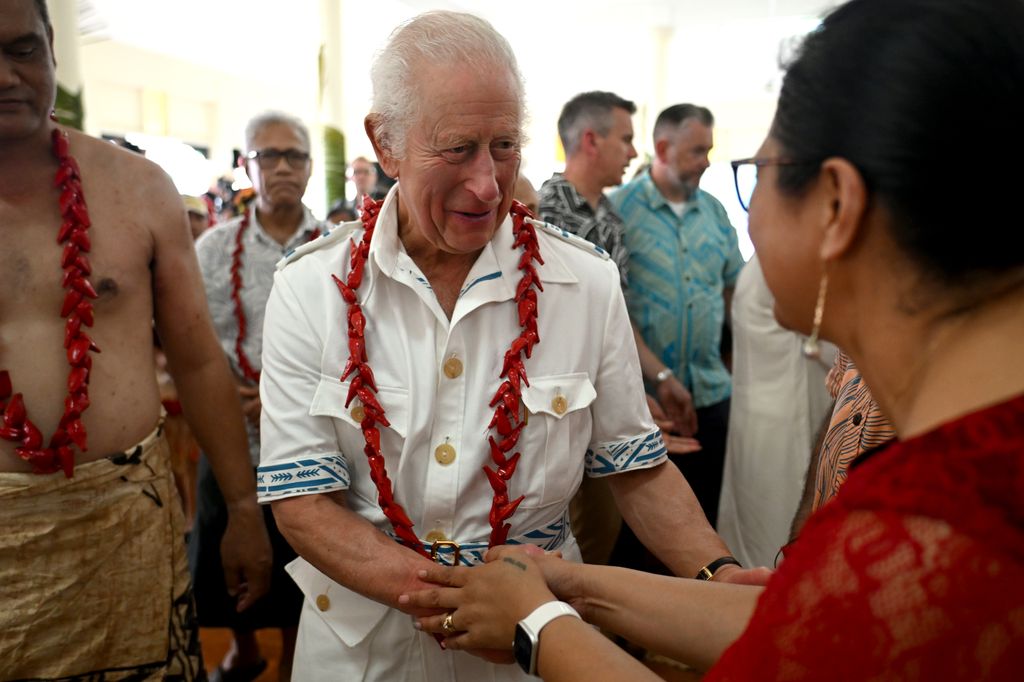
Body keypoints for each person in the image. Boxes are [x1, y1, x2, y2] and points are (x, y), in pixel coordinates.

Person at [404, 0, 1024, 678]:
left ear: (837, 206)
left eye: (759, 173)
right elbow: (791, 623)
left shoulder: (931, 525)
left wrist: (539, 625)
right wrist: (571, 586)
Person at [256, 11, 758, 682]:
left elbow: (634, 465)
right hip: (363, 653)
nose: (488, 183)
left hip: (534, 653)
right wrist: (468, 606)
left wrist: (716, 572)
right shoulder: (309, 288)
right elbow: (304, 505)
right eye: (458, 148)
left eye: (504, 146)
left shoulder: (582, 282)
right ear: (386, 142)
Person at [0, 1, 272, 679]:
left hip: (126, 526)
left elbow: (199, 359)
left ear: (53, 48)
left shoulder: (139, 188)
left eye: (23, 50)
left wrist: (241, 507)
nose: (5, 76)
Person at [190, 111, 325, 681]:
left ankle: (298, 665)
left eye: (294, 155)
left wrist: (287, 398)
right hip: (233, 429)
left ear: (311, 167)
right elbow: (195, 342)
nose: (283, 167)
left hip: (311, 431)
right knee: (224, 548)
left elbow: (357, 343)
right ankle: (243, 652)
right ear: (247, 165)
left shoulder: (338, 247)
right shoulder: (214, 249)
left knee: (305, 557)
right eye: (268, 155)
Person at [539, 92, 698, 567]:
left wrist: (659, 379)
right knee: (570, 541)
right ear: (591, 140)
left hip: (599, 398)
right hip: (556, 406)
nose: (634, 152)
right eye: (626, 139)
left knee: (603, 535)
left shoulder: (608, 218)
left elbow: (617, 320)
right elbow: (543, 329)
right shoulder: (543, 214)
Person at [610, 103, 745, 528]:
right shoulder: (619, 211)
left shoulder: (716, 212)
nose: (707, 161)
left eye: (708, 150)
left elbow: (734, 291)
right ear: (664, 148)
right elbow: (612, 308)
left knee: (707, 519)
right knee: (644, 531)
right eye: (697, 151)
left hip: (712, 396)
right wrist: (660, 378)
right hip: (646, 403)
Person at [715, 255, 835, 568]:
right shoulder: (787, 266)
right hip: (785, 414)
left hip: (756, 411)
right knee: (779, 508)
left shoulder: (761, 263)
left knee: (752, 507)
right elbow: (825, 345)